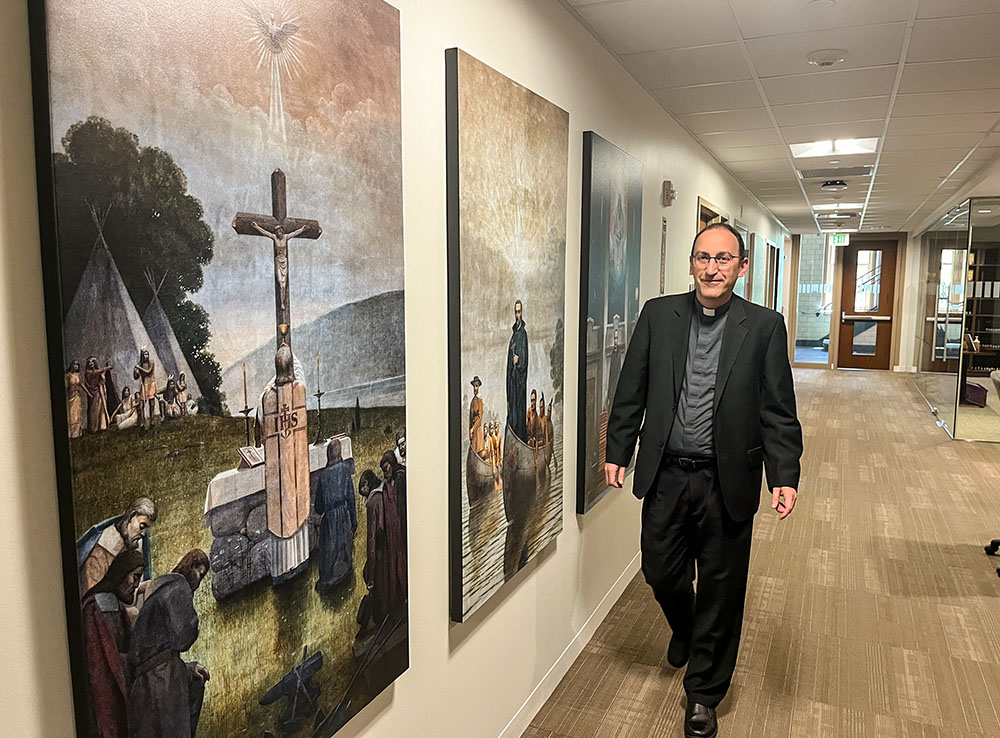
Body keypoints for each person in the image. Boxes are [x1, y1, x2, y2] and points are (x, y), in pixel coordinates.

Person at [605, 223, 802, 738]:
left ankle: (703, 694)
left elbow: (777, 410)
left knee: (721, 586)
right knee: (660, 571)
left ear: (741, 268)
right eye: (702, 258)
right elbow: (632, 388)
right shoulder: (658, 315)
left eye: (723, 259)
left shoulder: (764, 327)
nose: (712, 269)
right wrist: (618, 449)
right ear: (691, 264)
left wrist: (784, 474)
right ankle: (687, 629)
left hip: (727, 478)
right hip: (667, 474)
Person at [128, 550, 210, 738]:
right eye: (200, 573)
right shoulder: (179, 586)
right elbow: (184, 637)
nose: (199, 581)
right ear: (191, 568)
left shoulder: (161, 590)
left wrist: (188, 670)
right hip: (163, 682)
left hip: (146, 684)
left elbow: (157, 650)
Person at [81, 549, 145, 738]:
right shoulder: (97, 606)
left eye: (140, 578)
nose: (136, 584)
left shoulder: (115, 606)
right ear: (121, 574)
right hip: (106, 700)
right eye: (134, 577)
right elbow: (101, 665)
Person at [79, 498, 158, 594]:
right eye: (142, 527)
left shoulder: (137, 541)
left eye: (147, 529)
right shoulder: (107, 541)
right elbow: (90, 592)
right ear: (131, 517)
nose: (143, 534)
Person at [314, 439, 357, 593]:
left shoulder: (324, 475)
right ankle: (343, 574)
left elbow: (318, 506)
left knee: (331, 548)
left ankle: (330, 579)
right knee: (342, 545)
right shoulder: (345, 470)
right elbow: (351, 497)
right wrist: (353, 520)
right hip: (343, 514)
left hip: (330, 517)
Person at [379, 451, 408, 614]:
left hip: (402, 525)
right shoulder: (392, 481)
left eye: (386, 468)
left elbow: (402, 504)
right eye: (383, 470)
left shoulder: (401, 477)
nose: (385, 472)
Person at [506, 299, 529, 442]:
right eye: (516, 312)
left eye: (519, 311)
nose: (517, 315)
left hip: (519, 384)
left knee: (518, 413)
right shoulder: (514, 335)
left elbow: (525, 360)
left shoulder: (523, 334)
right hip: (512, 383)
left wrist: (518, 362)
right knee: (511, 414)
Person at [85, 356, 114, 433]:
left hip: (98, 391)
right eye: (89, 362)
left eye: (92, 362)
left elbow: (100, 377)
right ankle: (93, 428)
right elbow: (95, 373)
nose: (91, 364)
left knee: (100, 408)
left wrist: (102, 381)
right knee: (93, 410)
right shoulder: (88, 372)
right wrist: (107, 368)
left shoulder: (96, 370)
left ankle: (101, 426)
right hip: (92, 392)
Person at [133, 349, 157, 429]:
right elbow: (136, 377)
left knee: (152, 404)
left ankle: (152, 421)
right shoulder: (140, 364)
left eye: (147, 354)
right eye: (144, 354)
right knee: (141, 405)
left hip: (150, 384)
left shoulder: (151, 362)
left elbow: (148, 371)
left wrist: (139, 367)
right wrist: (136, 371)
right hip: (144, 385)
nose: (146, 356)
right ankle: (142, 422)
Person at [66, 360, 87, 438]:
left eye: (77, 365)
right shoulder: (68, 375)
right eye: (74, 365)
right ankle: (71, 434)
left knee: (77, 414)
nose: (76, 366)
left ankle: (77, 433)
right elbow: (66, 385)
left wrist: (88, 393)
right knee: (71, 415)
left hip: (77, 396)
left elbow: (82, 384)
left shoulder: (78, 375)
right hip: (70, 397)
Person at [469, 376, 485, 458]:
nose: (475, 388)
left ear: (478, 387)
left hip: (477, 430)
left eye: (476, 386)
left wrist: (473, 428)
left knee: (479, 452)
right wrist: (470, 430)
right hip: (472, 432)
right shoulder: (472, 401)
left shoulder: (480, 400)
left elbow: (479, 418)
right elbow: (470, 418)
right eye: (474, 386)